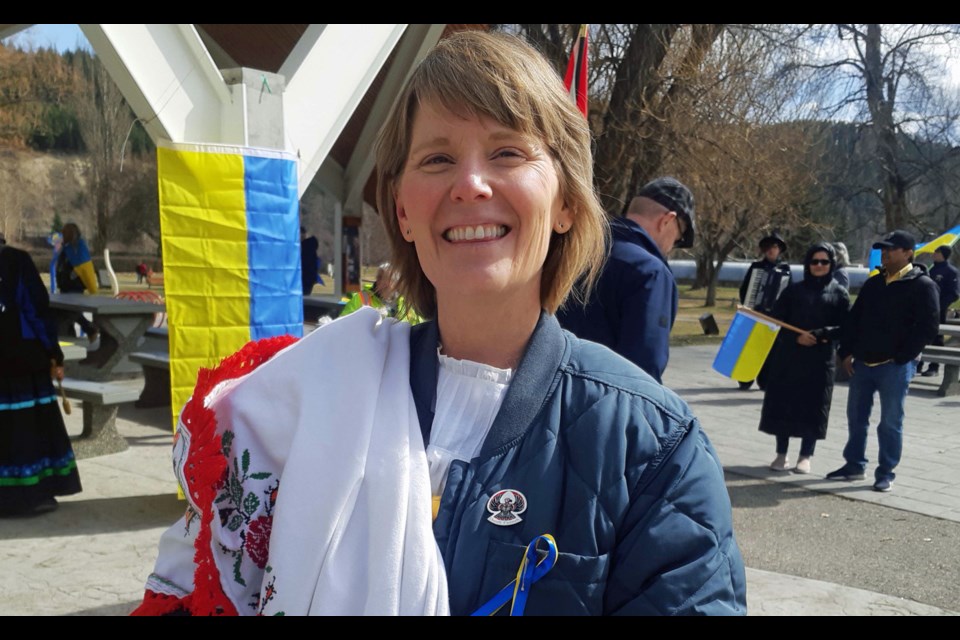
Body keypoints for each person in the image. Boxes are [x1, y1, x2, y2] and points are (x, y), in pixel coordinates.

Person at [132, 31, 745, 616]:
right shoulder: (295, 400)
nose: (470, 184)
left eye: (508, 152)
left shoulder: (654, 447)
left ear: (565, 202)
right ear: (402, 210)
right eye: (437, 158)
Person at [827, 230, 940, 492]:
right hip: (863, 364)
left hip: (895, 367)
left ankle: (886, 471)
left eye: (892, 249)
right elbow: (855, 320)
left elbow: (928, 327)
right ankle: (854, 464)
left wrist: (903, 357)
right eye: (883, 249)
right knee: (856, 417)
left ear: (908, 253)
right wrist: (846, 351)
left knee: (890, 421)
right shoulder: (874, 283)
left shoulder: (923, 285)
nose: (885, 253)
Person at [556, 177, 695, 383]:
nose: (672, 245)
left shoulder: (574, 250)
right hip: (606, 402)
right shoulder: (650, 272)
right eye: (679, 237)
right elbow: (644, 366)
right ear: (666, 220)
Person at [0, 240, 82, 516]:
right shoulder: (16, 261)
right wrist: (53, 352)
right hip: (20, 360)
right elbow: (34, 309)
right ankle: (29, 495)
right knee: (25, 428)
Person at [759, 243, 850, 474]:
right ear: (808, 264)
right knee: (785, 403)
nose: (819, 266)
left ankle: (806, 455)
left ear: (831, 264)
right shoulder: (793, 290)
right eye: (814, 261)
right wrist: (795, 337)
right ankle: (781, 453)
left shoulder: (839, 293)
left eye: (824, 262)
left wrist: (822, 335)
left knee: (814, 405)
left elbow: (846, 326)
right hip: (790, 356)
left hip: (820, 359)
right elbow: (777, 322)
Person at [737, 231, 791, 390]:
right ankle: (745, 378)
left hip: (774, 318)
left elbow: (789, 293)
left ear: (779, 249)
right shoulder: (756, 267)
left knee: (771, 350)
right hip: (756, 314)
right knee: (751, 347)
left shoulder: (785, 269)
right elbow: (745, 289)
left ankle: (765, 380)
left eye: (774, 247)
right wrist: (749, 304)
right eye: (768, 247)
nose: (771, 250)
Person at [917, 245, 959, 377]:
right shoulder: (932, 269)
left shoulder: (951, 271)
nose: (933, 254)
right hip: (924, 309)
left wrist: (939, 305)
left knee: (937, 337)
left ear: (943, 254)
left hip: (938, 311)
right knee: (921, 337)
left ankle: (934, 367)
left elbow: (954, 293)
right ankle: (918, 364)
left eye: (936, 252)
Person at [55, 223, 99, 342]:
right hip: (65, 286)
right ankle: (72, 336)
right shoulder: (67, 247)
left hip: (74, 286)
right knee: (67, 312)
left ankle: (89, 329)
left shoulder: (78, 247)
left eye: (64, 233)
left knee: (71, 312)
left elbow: (83, 268)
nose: (62, 235)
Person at [340, 262, 421, 324]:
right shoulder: (362, 298)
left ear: (394, 284)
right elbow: (343, 321)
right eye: (378, 277)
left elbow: (418, 324)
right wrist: (370, 317)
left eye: (382, 278)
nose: (378, 281)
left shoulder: (405, 303)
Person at [299, 226, 321, 296]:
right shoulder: (310, 247)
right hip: (308, 278)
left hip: (305, 278)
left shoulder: (305, 248)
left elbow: (305, 263)